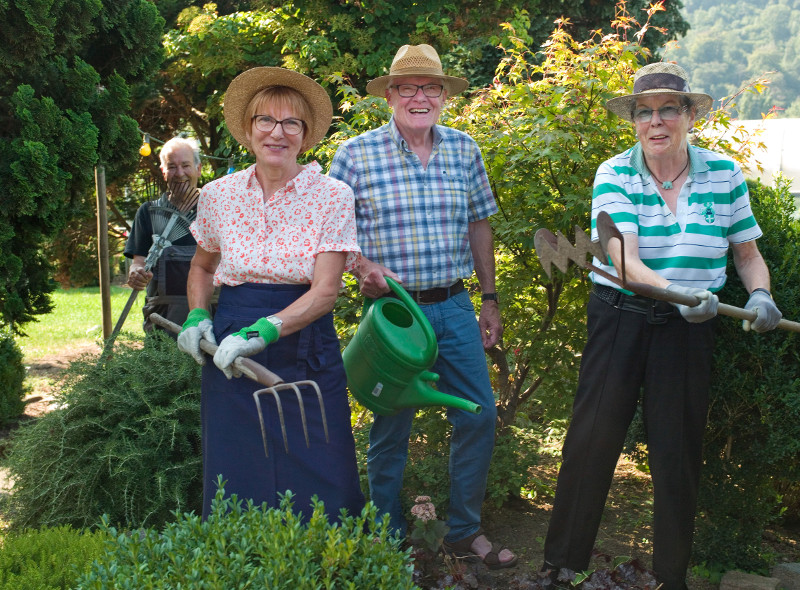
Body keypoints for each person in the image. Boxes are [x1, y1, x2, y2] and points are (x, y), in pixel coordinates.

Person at [541, 62, 783, 590]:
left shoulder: (725, 174)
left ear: (689, 114)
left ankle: (671, 577)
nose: (656, 122)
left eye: (667, 109)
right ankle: (561, 567)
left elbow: (747, 253)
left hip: (688, 332)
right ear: (634, 121)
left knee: (677, 453)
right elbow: (623, 260)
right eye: (644, 112)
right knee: (591, 442)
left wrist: (761, 293)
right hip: (621, 317)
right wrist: (676, 294)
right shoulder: (614, 173)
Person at [329, 44, 517, 569]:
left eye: (430, 88)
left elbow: (480, 224)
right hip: (394, 317)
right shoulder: (355, 155)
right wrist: (359, 265)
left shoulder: (464, 149)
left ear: (443, 96)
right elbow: (333, 232)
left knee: (478, 414)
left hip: (455, 306)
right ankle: (386, 535)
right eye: (407, 88)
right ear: (389, 95)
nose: (419, 97)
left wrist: (490, 297)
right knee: (390, 426)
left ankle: (463, 532)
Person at [176, 67, 364, 519]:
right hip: (230, 350)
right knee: (237, 470)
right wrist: (197, 316)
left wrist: (265, 330)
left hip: (306, 346)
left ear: (306, 135)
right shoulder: (218, 196)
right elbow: (202, 266)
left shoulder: (332, 195)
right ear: (247, 129)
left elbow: (324, 292)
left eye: (291, 123)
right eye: (266, 120)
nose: (277, 133)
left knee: (325, 469)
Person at [124, 137, 202, 333]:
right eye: (172, 167)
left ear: (198, 169)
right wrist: (136, 273)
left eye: (186, 165)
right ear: (163, 172)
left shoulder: (216, 211)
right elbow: (139, 261)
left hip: (208, 316)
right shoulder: (149, 212)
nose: (180, 173)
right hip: (163, 317)